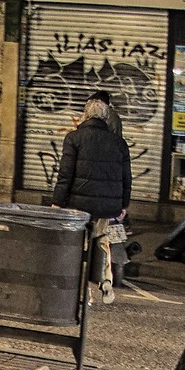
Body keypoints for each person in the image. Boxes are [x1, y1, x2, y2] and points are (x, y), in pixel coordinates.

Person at [49, 91, 132, 303]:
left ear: (85, 114)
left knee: (79, 245)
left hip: (78, 204)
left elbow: (65, 175)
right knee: (102, 240)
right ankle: (106, 280)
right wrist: (123, 205)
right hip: (106, 206)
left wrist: (57, 202)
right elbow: (126, 178)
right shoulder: (119, 143)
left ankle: (82, 291)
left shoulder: (74, 138)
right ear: (106, 116)